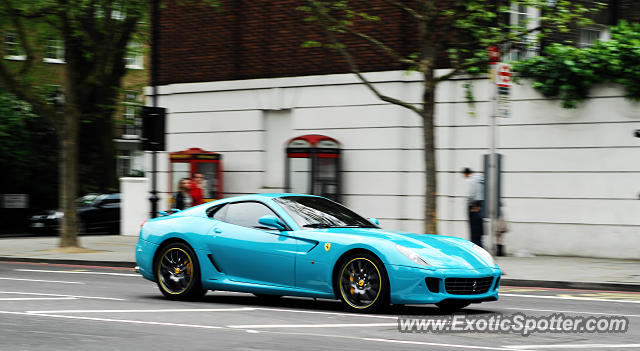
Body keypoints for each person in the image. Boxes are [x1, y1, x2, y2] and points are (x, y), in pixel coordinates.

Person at [461, 167, 485, 247]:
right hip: (480, 206)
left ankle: (477, 248)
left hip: (473, 207)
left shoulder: (471, 180)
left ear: (466, 173)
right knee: (478, 233)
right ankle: (480, 246)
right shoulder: (480, 179)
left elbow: (470, 194)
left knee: (473, 233)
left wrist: (471, 204)